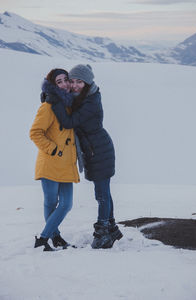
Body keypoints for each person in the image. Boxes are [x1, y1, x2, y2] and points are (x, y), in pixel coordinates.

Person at [45, 64, 123, 249]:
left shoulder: (91, 102)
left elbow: (69, 121)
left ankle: (103, 232)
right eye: (72, 81)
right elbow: (69, 104)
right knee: (104, 192)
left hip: (99, 151)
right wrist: (52, 97)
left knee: (102, 194)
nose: (74, 85)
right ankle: (110, 227)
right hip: (94, 150)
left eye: (79, 81)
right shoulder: (83, 97)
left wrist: (54, 101)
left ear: (87, 82)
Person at [30, 69, 80, 251]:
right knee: (51, 203)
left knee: (66, 204)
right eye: (59, 81)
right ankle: (51, 238)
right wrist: (54, 150)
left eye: (66, 80)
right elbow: (35, 133)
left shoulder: (69, 106)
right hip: (51, 162)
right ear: (53, 85)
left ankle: (47, 237)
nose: (65, 84)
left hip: (66, 164)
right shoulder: (48, 106)